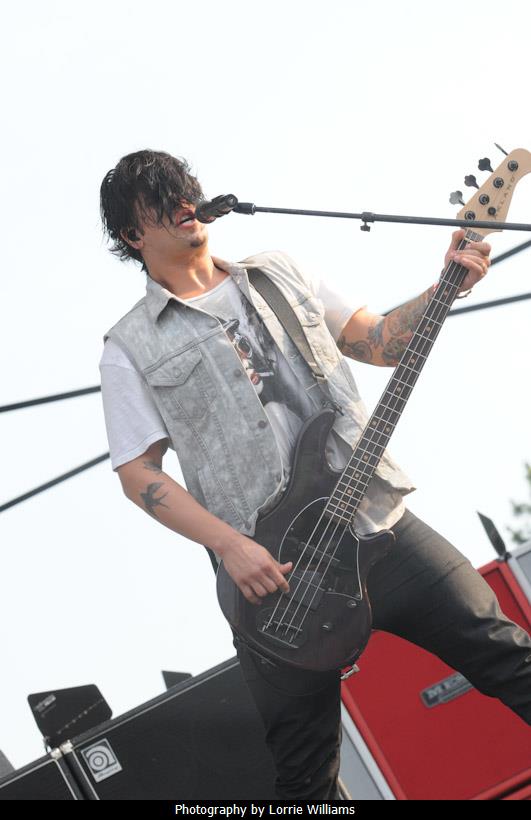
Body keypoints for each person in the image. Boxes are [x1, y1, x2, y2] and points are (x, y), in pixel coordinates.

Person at [98, 149, 531, 800]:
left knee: (510, 657)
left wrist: (448, 282)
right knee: (306, 779)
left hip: (374, 522)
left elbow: (378, 341)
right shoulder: (130, 346)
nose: (184, 206)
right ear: (133, 234)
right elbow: (138, 474)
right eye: (160, 201)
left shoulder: (280, 272)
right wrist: (231, 547)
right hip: (276, 577)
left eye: (186, 190)